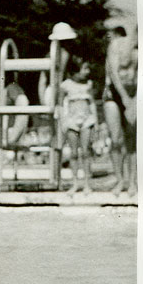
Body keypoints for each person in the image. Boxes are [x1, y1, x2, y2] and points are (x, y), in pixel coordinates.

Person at [102, 17, 137, 196]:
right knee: (116, 139)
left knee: (132, 140)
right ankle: (120, 179)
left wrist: (135, 101)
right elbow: (114, 74)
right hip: (114, 94)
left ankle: (132, 182)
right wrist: (125, 98)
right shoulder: (117, 45)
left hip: (134, 94)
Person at [60, 57, 98, 194]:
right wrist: (63, 122)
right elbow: (61, 105)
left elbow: (92, 103)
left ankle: (87, 183)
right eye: (84, 69)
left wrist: (96, 122)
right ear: (75, 71)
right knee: (74, 152)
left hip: (86, 119)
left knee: (86, 151)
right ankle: (75, 183)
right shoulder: (66, 85)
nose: (87, 72)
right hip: (71, 120)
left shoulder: (88, 84)